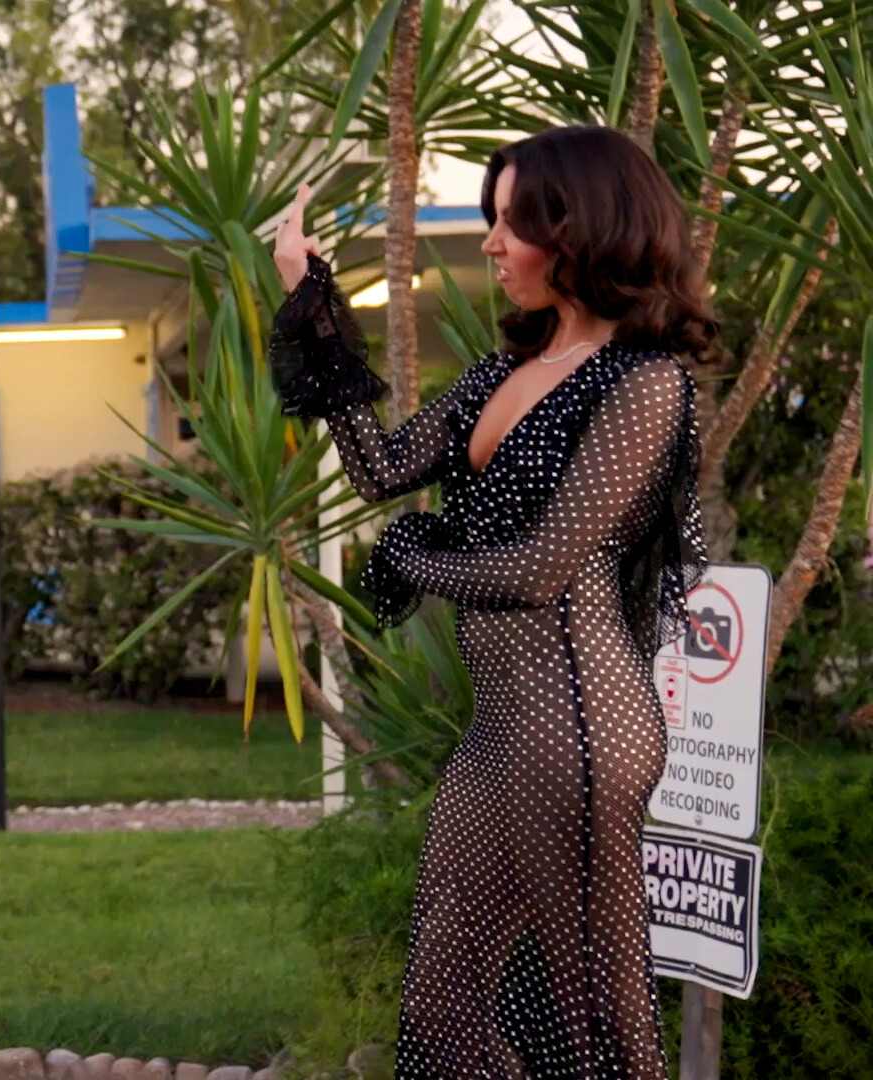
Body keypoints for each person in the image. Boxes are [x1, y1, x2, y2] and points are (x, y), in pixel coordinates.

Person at [267, 125, 715, 1078]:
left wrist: (416, 557)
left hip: (583, 728)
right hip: (504, 728)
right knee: (441, 1006)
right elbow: (379, 466)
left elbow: (542, 569)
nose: (491, 243)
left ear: (581, 231)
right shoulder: (506, 373)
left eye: (513, 224)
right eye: (491, 220)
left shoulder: (645, 386)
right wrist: (312, 298)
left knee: (597, 1025)